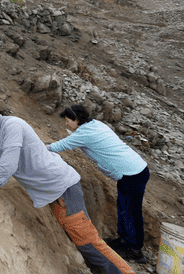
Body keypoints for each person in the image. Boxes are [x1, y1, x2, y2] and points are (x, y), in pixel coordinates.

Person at [0, 96, 134, 274]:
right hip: (55, 191)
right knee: (84, 243)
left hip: (63, 189)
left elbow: (9, 163)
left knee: (89, 243)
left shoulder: (12, 126)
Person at [48, 105, 150, 263]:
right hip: (134, 170)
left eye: (68, 121)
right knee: (124, 207)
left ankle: (135, 250)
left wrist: (40, 149)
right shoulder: (96, 124)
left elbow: (60, 146)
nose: (66, 124)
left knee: (131, 211)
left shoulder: (85, 133)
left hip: (132, 174)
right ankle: (123, 241)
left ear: (77, 120)